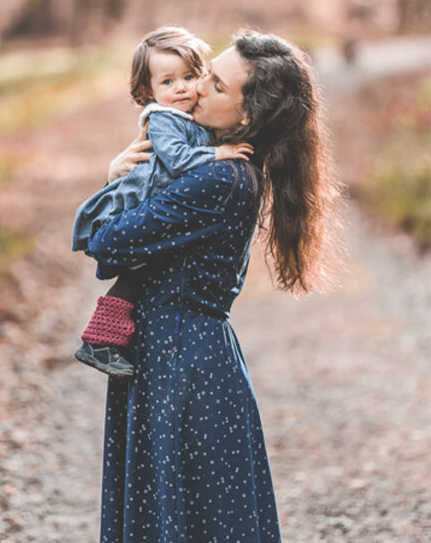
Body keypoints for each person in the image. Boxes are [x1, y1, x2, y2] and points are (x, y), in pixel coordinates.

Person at [78, 31, 340, 541]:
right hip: (178, 351)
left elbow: (106, 243)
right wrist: (119, 174)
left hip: (182, 362)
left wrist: (113, 186)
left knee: (188, 514)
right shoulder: (214, 160)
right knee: (187, 510)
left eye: (215, 85)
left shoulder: (220, 178)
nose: (195, 91)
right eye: (203, 75)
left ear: (248, 117)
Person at [72, 27, 252, 377]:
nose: (181, 87)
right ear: (148, 91)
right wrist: (219, 153)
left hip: (155, 198)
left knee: (142, 274)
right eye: (167, 82)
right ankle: (99, 340)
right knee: (134, 272)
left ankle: (103, 339)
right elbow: (179, 160)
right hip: (140, 197)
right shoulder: (163, 119)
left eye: (189, 76)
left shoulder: (187, 117)